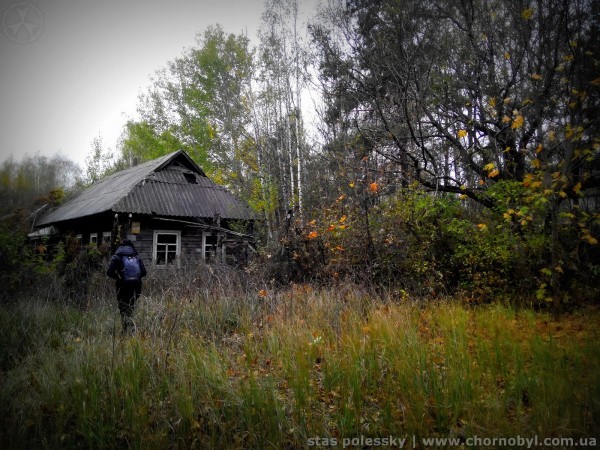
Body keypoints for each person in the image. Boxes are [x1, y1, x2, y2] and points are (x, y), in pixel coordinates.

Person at [107, 239, 147, 333]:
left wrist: (118, 277)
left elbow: (109, 272)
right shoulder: (137, 257)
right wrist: (135, 278)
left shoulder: (117, 257)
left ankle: (127, 329)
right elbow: (144, 272)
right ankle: (131, 329)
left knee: (123, 307)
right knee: (131, 306)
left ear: (121, 247)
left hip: (122, 287)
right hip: (136, 287)